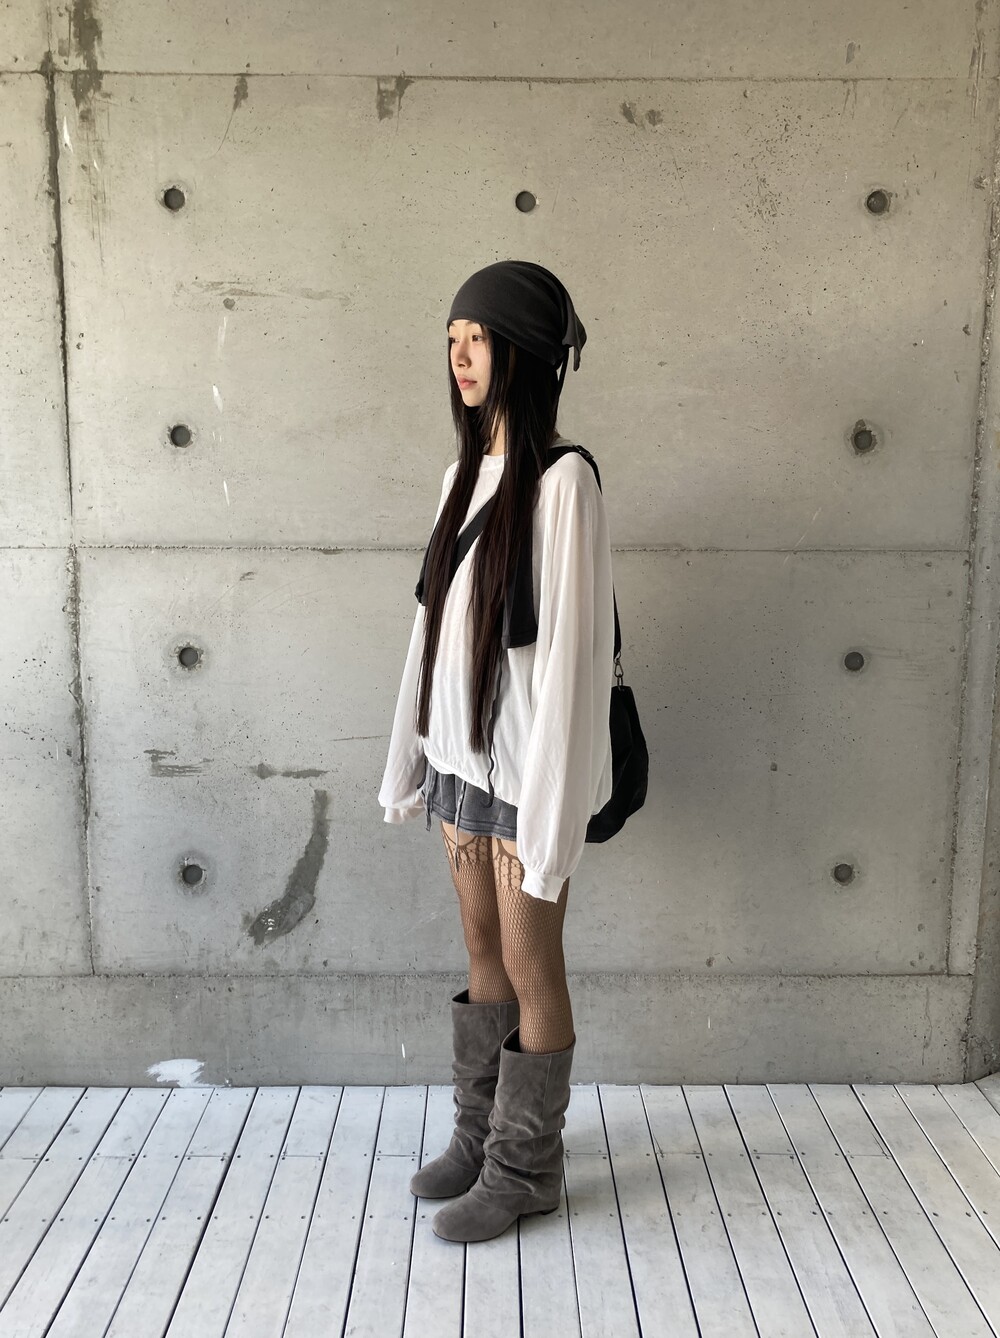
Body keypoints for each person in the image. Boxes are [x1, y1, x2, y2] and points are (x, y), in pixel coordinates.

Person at [378, 260, 615, 1243]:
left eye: (478, 338)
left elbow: (572, 659)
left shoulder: (564, 482)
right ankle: (479, 1140)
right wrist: (412, 758)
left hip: (523, 773)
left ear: (523, 352)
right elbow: (428, 636)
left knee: (529, 957)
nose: (460, 355)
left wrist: (551, 817)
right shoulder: (459, 478)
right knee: (482, 949)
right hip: (459, 766)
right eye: (451, 339)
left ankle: (527, 1169)